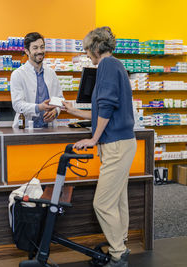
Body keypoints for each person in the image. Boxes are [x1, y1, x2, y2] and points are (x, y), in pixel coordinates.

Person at [62, 26, 137, 267]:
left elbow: (105, 105)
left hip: (115, 144)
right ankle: (121, 243)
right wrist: (73, 111)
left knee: (102, 203)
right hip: (123, 143)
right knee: (117, 200)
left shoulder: (105, 65)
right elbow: (103, 109)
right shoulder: (117, 65)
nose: (86, 55)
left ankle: (118, 254)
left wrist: (94, 139)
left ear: (96, 48)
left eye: (86, 50)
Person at [10, 32, 63, 128]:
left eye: (42, 47)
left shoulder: (51, 73)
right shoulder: (18, 74)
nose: (40, 51)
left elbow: (60, 98)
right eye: (35, 48)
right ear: (26, 51)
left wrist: (56, 111)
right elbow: (17, 104)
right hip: (25, 128)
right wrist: (38, 107)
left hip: (49, 128)